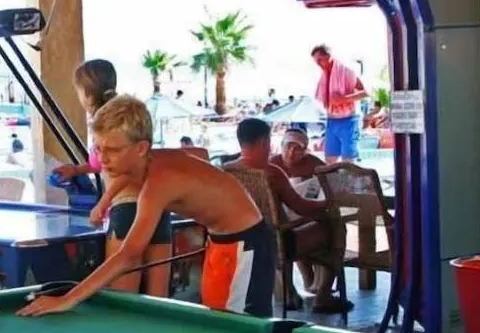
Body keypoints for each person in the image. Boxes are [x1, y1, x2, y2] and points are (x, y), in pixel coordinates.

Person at [21, 96, 273, 318]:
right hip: (221, 239)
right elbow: (195, 155)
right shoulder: (151, 158)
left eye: (113, 150)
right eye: (99, 148)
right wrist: (105, 201)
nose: (103, 159)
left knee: (238, 324)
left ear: (141, 148)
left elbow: (129, 255)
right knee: (217, 316)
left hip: (246, 241)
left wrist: (68, 299)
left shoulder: (159, 183)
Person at [54, 61, 172, 297]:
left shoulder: (105, 120)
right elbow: (115, 162)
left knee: (123, 299)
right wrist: (77, 170)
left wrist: (103, 202)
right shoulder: (128, 115)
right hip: (157, 207)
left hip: (127, 208)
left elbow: (127, 169)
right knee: (159, 301)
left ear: (86, 92)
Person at [235, 118, 349, 314]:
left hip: (246, 242)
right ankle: (323, 295)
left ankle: (292, 292)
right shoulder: (272, 172)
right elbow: (302, 207)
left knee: (301, 228)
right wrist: (327, 204)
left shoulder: (228, 169)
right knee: (335, 227)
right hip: (279, 241)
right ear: (265, 142)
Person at [312, 45, 367, 163]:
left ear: (328, 56)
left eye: (320, 60)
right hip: (332, 121)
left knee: (348, 160)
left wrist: (344, 99)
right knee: (330, 159)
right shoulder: (324, 76)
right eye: (316, 61)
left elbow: (365, 92)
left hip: (349, 120)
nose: (318, 64)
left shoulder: (346, 71)